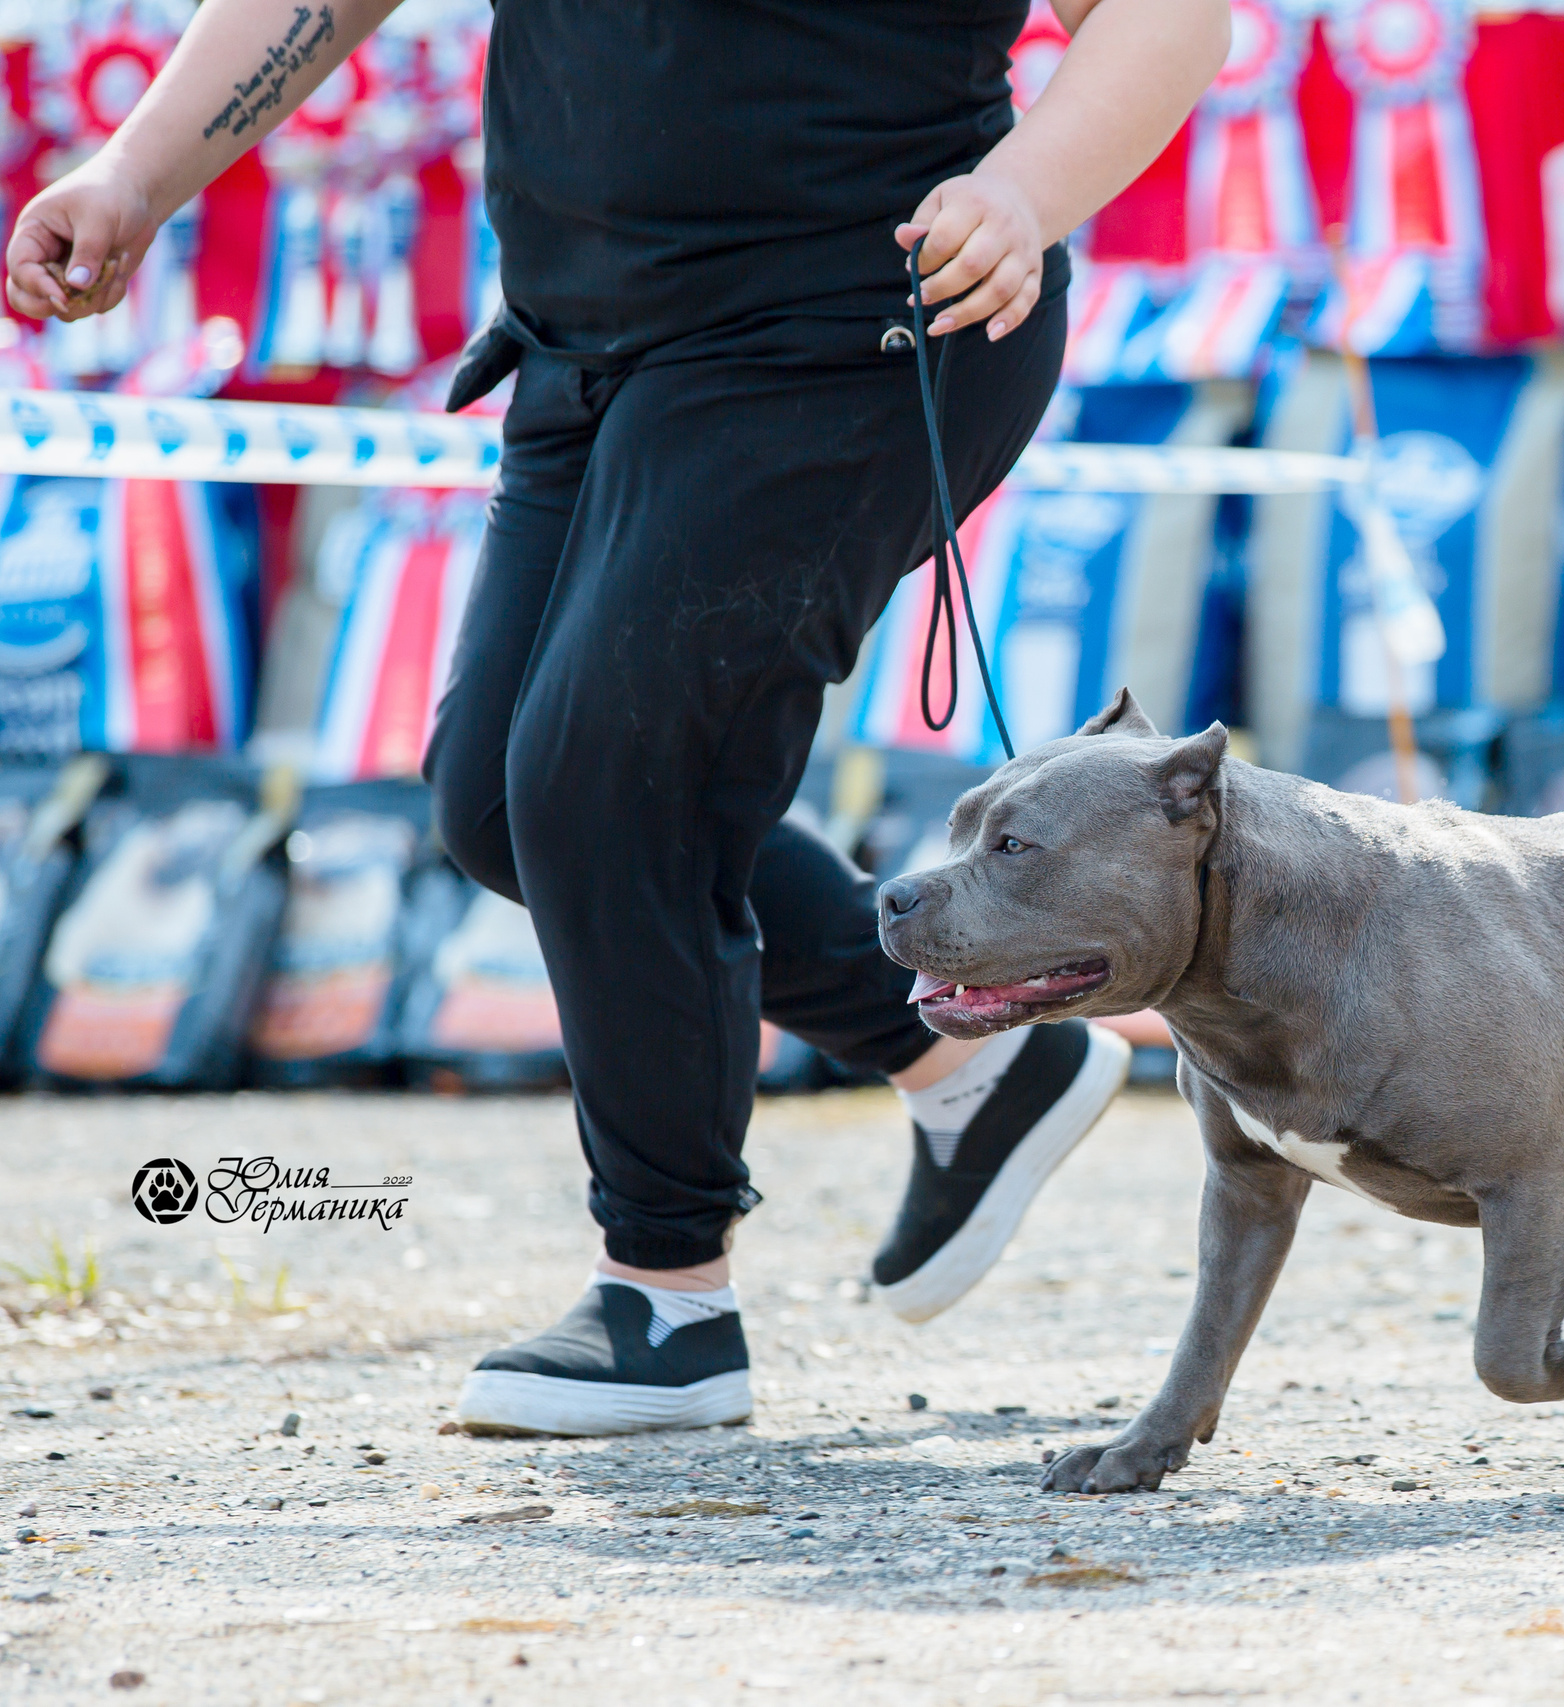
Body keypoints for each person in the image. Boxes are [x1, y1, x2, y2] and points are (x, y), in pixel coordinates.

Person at [10, 0, 1230, 1435]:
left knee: (611, 786)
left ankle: (668, 1295)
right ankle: (972, 1055)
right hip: (588, 339)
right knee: (494, 802)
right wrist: (135, 173)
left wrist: (1024, 193)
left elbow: (1169, 16)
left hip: (852, 331)